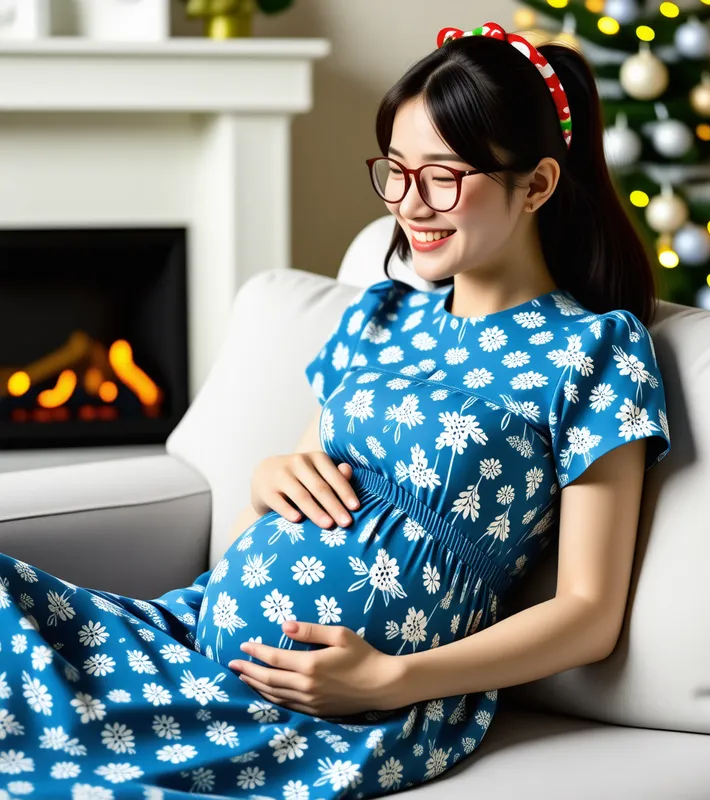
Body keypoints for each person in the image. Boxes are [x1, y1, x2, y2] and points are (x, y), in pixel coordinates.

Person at [0, 21, 671, 799]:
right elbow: (310, 473)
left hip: (334, 709)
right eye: (396, 171)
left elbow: (590, 613)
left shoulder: (595, 352)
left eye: (444, 176)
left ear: (539, 185)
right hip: (190, 633)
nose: (410, 204)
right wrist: (269, 477)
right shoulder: (378, 315)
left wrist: (391, 680)